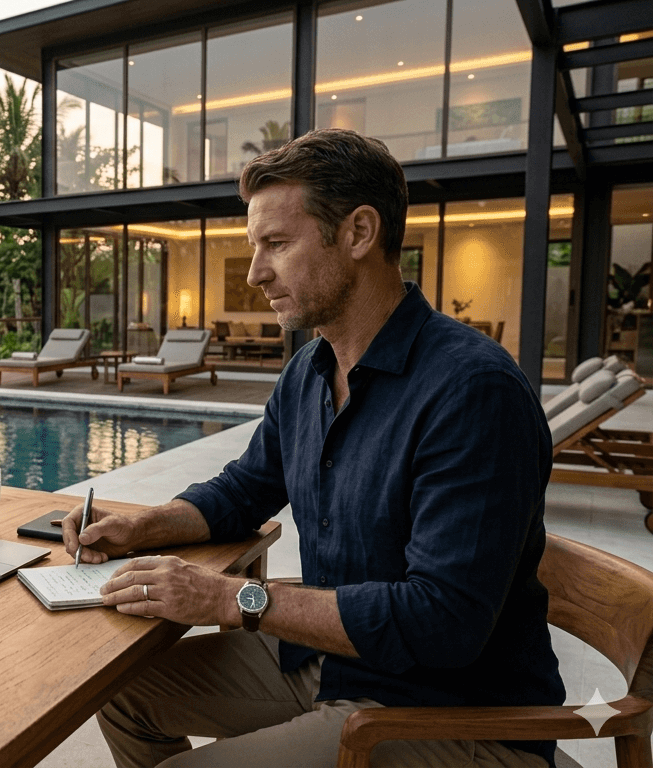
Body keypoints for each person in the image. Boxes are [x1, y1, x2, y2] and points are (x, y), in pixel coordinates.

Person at [62, 128, 563, 768]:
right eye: (253, 246)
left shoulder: (473, 391)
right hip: (333, 664)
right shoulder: (309, 375)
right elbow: (245, 489)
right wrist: (141, 527)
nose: (255, 272)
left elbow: (443, 623)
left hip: (446, 713)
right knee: (120, 692)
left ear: (358, 233)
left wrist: (231, 598)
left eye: (276, 244)